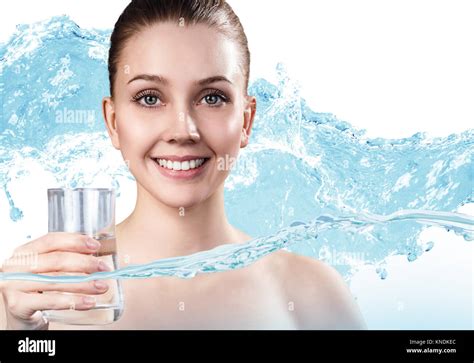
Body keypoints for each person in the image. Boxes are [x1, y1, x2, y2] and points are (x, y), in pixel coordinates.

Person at [0, 0, 366, 330]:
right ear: (113, 122)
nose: (182, 130)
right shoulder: (47, 302)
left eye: (212, 97)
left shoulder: (314, 295)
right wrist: (17, 335)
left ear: (246, 121)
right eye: (149, 98)